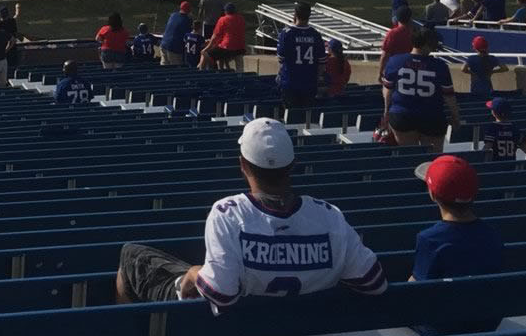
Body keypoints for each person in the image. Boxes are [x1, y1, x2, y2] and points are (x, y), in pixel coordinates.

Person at [115, 118, 386, 307]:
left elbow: (221, 295)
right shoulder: (330, 217)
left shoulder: (227, 214)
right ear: (291, 166)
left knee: (131, 254)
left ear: (242, 164)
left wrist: (195, 274)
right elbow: (374, 283)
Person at [409, 154, 503, 336]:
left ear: (432, 194)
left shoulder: (430, 239)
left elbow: (416, 290)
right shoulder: (492, 234)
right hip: (487, 322)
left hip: (441, 327)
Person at [382, 29, 460, 151]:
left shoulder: (395, 61)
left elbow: (388, 91)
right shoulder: (440, 66)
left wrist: (386, 111)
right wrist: (456, 116)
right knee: (431, 160)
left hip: (402, 115)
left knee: (409, 156)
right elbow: (449, 97)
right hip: (431, 116)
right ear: (426, 43)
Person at [274, 2, 322, 110]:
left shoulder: (286, 33)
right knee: (307, 116)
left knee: (292, 116)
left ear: (295, 14)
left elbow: (281, 58)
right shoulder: (315, 34)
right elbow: (321, 62)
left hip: (290, 82)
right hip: (309, 83)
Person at [201, 2, 247, 70]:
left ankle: (203, 72)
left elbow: (214, 36)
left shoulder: (223, 19)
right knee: (238, 64)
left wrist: (206, 48)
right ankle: (239, 75)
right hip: (241, 48)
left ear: (225, 11)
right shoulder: (241, 19)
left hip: (227, 47)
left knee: (206, 55)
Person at [379, 6, 416, 81]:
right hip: (412, 69)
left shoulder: (392, 33)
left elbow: (384, 55)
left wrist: (380, 73)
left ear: (397, 18)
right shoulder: (415, 33)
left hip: (395, 69)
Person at [159, 0, 193, 66]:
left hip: (163, 45)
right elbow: (189, 36)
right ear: (189, 10)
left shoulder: (173, 15)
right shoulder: (187, 20)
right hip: (174, 49)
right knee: (176, 69)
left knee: (164, 68)